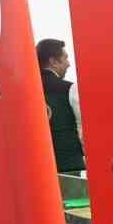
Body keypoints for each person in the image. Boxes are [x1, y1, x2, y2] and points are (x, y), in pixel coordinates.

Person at [38, 37, 86, 175]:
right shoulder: (70, 88)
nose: (68, 64)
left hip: (39, 167)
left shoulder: (25, 91)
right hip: (69, 165)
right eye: (65, 58)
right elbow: (83, 126)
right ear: (53, 61)